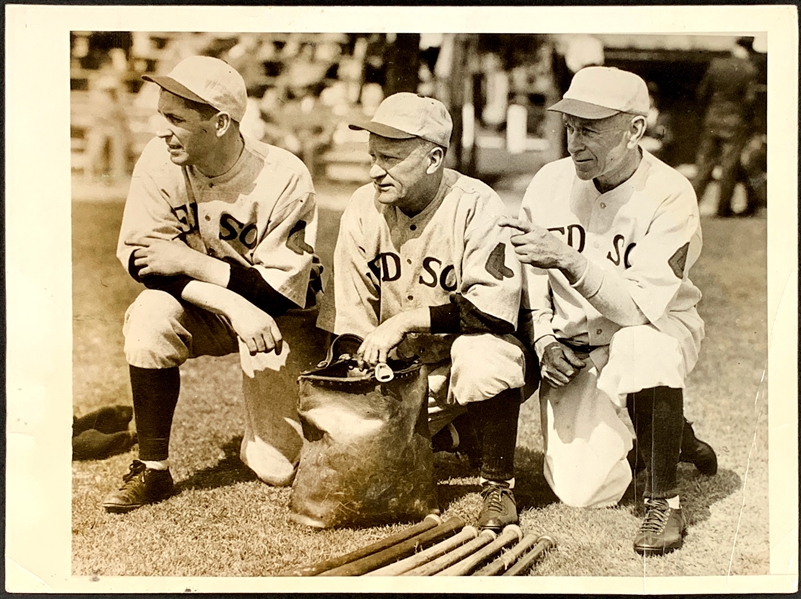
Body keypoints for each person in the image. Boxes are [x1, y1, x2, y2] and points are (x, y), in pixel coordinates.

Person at [500, 66, 717, 556]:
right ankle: (665, 431)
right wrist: (543, 340)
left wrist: (569, 259)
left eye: (591, 128)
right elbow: (532, 274)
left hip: (655, 329)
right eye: (571, 126)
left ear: (635, 129)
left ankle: (666, 500)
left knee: (642, 345)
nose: (575, 142)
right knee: (583, 494)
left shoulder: (670, 192)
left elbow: (638, 308)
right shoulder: (551, 181)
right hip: (576, 344)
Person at [103, 56, 323, 513]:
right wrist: (230, 305)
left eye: (176, 119)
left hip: (280, 316)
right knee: (149, 316)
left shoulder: (284, 175)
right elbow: (143, 263)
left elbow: (279, 291)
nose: (161, 129)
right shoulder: (159, 159)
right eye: (161, 114)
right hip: (214, 309)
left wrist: (187, 260)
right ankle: (152, 467)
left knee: (276, 466)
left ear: (220, 123)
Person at [318, 92, 527, 530]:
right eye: (373, 156)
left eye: (391, 158)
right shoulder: (362, 208)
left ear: (433, 159)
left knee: (485, 357)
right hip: (400, 378)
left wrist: (407, 320)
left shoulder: (476, 204)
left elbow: (493, 313)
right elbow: (353, 325)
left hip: (459, 362)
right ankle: (460, 432)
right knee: (342, 461)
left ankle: (498, 486)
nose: (376, 171)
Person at [692, 37, 758, 217]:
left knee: (704, 165)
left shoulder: (716, 65)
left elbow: (701, 93)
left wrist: (708, 114)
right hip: (735, 124)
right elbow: (750, 101)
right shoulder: (749, 70)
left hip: (712, 120)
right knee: (729, 167)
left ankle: (689, 207)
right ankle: (722, 210)